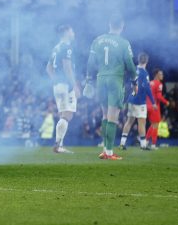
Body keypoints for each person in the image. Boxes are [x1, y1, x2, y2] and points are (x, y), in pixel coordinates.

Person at [86, 14, 136, 161]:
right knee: (113, 117)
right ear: (122, 26)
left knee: (105, 115)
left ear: (109, 24)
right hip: (115, 79)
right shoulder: (123, 42)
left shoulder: (97, 40)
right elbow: (130, 64)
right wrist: (134, 80)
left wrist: (88, 80)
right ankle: (109, 152)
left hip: (100, 79)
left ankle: (104, 150)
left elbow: (90, 62)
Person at [45, 24, 80, 154]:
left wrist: (56, 81)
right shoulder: (66, 47)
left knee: (62, 114)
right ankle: (58, 145)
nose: (73, 33)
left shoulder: (56, 48)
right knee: (67, 115)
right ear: (66, 32)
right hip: (66, 85)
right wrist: (74, 85)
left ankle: (60, 145)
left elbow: (48, 68)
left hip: (57, 86)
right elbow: (67, 68)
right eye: (72, 30)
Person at [119, 52, 154, 150]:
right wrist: (153, 102)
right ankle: (143, 145)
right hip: (140, 101)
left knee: (129, 121)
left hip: (131, 99)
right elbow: (147, 88)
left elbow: (127, 83)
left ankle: (122, 143)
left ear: (138, 60)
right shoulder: (144, 73)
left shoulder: (133, 69)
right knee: (141, 123)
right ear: (146, 61)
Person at [146, 69, 170, 150]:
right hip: (154, 106)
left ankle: (145, 142)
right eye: (160, 74)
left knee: (152, 125)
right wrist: (166, 102)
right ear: (156, 75)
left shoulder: (150, 83)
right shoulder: (159, 84)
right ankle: (153, 145)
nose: (162, 75)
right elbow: (159, 97)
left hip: (148, 106)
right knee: (155, 125)